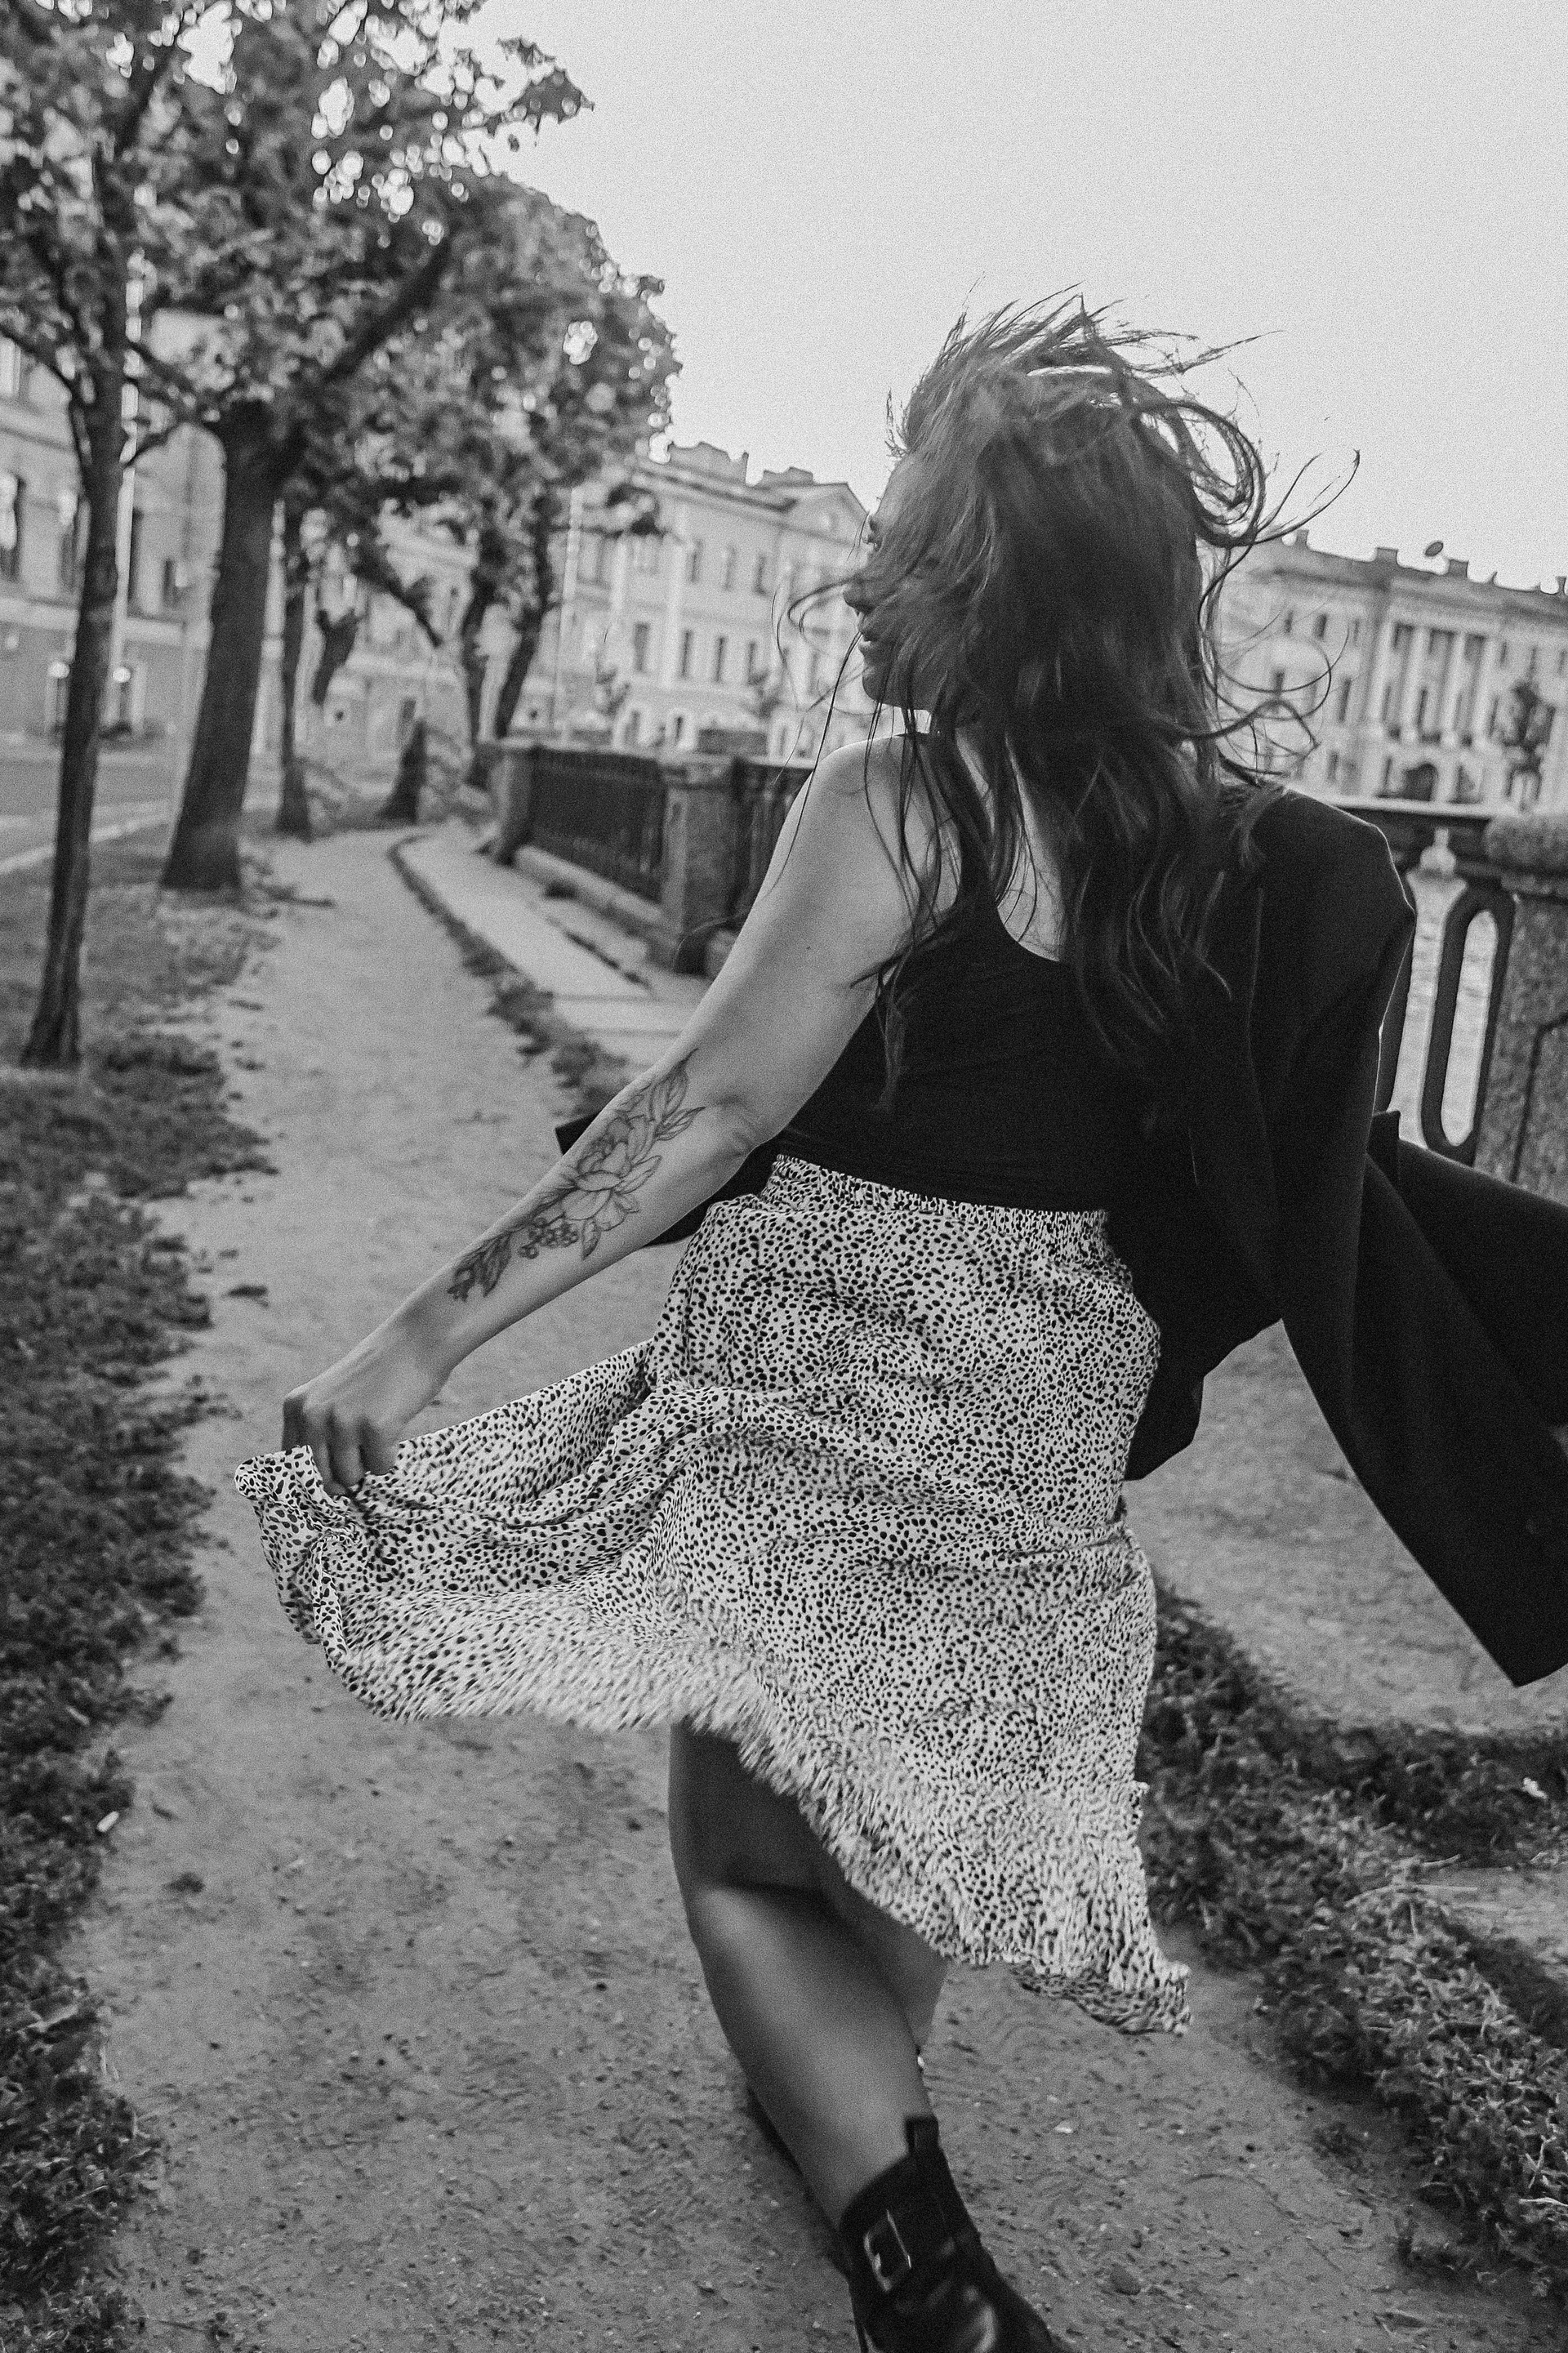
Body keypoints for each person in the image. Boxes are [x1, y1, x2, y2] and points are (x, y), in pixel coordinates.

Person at [238, 301, 1502, 2351]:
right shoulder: (1218, 857)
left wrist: (418, 1336)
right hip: (1040, 1420)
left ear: (993, 588)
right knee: (884, 1874)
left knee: (749, 1875)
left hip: (814, 1378)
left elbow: (704, 1108)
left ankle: (922, 2265)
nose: (864, 574)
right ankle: (853, 2125)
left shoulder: (903, 802)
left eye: (908, 538)